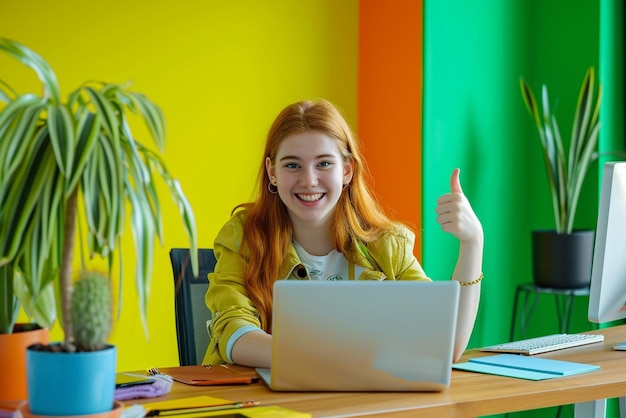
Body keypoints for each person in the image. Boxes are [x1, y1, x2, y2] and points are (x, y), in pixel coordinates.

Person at [203, 99, 483, 368]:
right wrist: (331, 356)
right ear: (272, 172)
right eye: (292, 165)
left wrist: (473, 242)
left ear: (347, 170)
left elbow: (444, 345)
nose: (309, 180)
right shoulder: (243, 235)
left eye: (324, 163)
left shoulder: (386, 245)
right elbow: (233, 331)